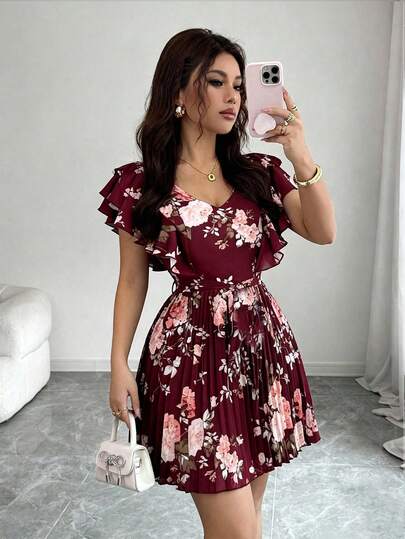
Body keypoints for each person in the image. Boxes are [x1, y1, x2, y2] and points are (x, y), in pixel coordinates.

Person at [97, 28, 335, 539]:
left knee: (248, 520)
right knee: (238, 531)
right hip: (192, 361)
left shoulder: (258, 174)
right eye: (216, 82)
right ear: (179, 91)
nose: (233, 96)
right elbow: (131, 283)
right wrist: (117, 363)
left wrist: (301, 153)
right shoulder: (144, 185)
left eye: (239, 86)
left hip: (261, 351)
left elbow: (323, 231)